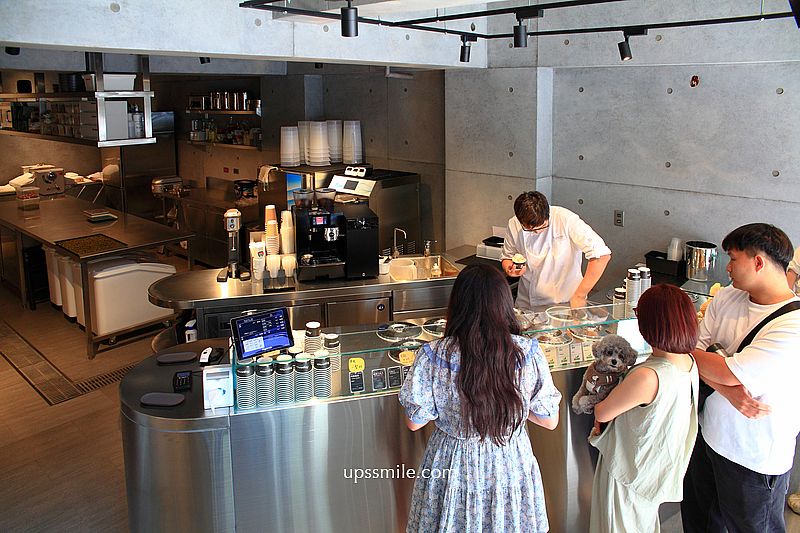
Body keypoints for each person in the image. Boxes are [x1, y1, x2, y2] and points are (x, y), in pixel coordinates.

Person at [398, 263, 562, 532]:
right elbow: (549, 420)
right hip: (509, 461)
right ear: (504, 304)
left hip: (452, 463)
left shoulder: (433, 354)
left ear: (458, 304)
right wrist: (513, 410)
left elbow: (415, 421)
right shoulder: (527, 353)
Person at [682, 223, 800, 533]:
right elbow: (691, 351)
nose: (728, 267)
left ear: (758, 262)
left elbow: (725, 370)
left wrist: (718, 371)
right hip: (706, 437)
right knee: (698, 523)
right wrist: (729, 391)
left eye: (733, 259)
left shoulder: (792, 325)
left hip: (755, 458)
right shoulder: (728, 296)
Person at [588, 284, 699, 533]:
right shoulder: (688, 361)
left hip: (629, 470)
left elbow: (602, 412)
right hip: (652, 467)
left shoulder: (649, 376)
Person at [501, 191, 611, 309]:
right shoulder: (513, 224)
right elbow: (507, 257)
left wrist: (580, 295)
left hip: (564, 302)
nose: (537, 232)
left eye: (542, 226)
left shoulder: (566, 220)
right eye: (529, 229)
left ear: (547, 214)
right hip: (527, 302)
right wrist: (510, 269)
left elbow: (602, 255)